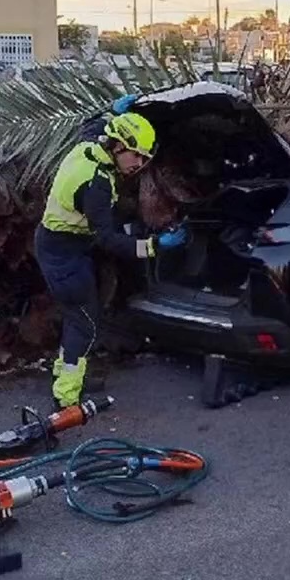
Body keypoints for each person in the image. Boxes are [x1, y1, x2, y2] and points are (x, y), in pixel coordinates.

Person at [34, 109, 184, 408]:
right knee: (86, 326)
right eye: (136, 156)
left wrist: (116, 109)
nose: (139, 165)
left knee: (77, 318)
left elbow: (89, 124)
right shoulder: (95, 184)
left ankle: (65, 374)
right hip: (65, 256)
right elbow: (108, 240)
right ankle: (66, 397)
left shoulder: (89, 147)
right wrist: (154, 246)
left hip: (57, 245)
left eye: (143, 159)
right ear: (117, 146)